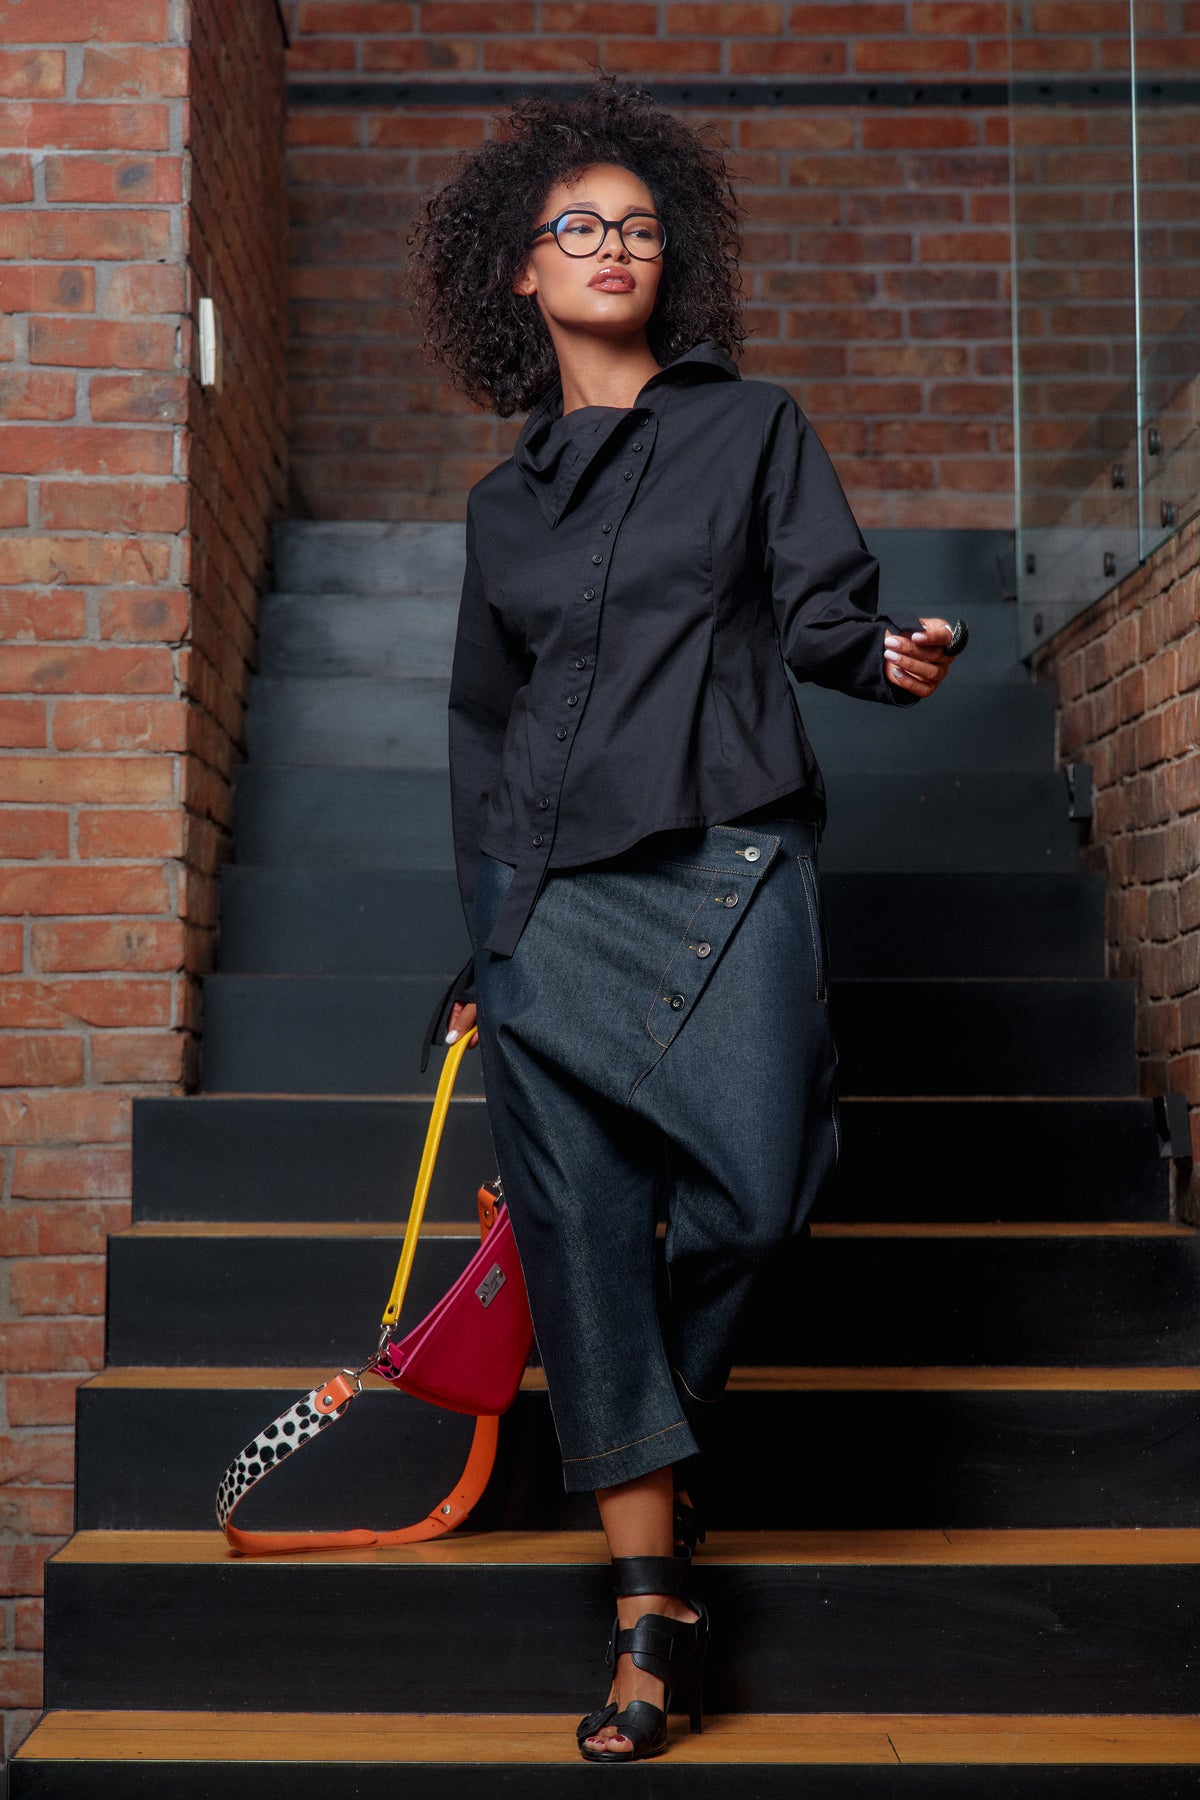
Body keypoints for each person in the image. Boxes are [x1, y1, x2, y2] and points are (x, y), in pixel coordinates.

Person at [407, 72, 960, 1763]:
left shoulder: (752, 427)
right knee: (582, 1243)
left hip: (725, 866)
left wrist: (885, 659)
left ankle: (654, 1423)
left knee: (762, 1196)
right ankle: (653, 1622)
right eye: (577, 227)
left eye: (639, 227)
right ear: (520, 269)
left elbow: (823, 615)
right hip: (547, 914)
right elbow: (484, 729)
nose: (612, 247)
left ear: (672, 261)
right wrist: (483, 942)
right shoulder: (502, 507)